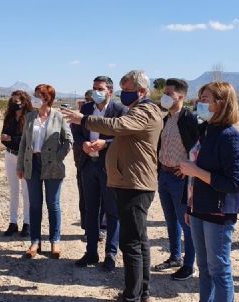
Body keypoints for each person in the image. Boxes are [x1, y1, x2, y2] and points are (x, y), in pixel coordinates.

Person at [63, 70, 164, 302]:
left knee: (131, 244)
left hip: (134, 182)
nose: (123, 95)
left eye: (127, 90)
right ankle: (141, 291)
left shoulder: (144, 110)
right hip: (129, 180)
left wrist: (84, 119)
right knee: (139, 240)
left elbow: (118, 126)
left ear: (141, 90)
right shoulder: (140, 109)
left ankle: (132, 295)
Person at [178, 82, 239, 302]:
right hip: (199, 208)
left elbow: (234, 183)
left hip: (218, 212)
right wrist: (190, 207)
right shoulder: (205, 131)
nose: (199, 103)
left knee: (218, 268)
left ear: (221, 103)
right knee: (204, 267)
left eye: (205, 99)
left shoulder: (230, 136)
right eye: (200, 98)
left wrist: (197, 171)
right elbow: (194, 175)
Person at [72, 76, 128, 271]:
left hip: (109, 167)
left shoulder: (120, 111)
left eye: (100, 88)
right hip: (88, 165)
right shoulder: (86, 109)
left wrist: (106, 143)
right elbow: (76, 131)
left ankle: (110, 254)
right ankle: (91, 252)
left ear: (110, 91)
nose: (96, 92)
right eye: (94, 88)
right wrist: (83, 144)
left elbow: (125, 138)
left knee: (112, 212)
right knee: (90, 210)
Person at [17, 84, 73, 259]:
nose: (34, 97)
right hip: (32, 163)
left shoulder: (58, 117)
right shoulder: (30, 116)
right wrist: (20, 165)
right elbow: (24, 143)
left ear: (47, 98)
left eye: (37, 94)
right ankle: (35, 242)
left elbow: (68, 140)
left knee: (53, 204)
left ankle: (55, 241)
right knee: (34, 205)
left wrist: (58, 157)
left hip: (52, 165)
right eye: (34, 94)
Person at [154, 78, 199, 281]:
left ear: (181, 96)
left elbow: (200, 146)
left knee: (186, 222)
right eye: (165, 92)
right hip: (164, 175)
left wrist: (191, 168)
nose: (165, 97)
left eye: (169, 93)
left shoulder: (190, 118)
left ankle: (189, 265)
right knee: (171, 220)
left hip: (181, 178)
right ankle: (175, 256)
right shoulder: (166, 119)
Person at [1, 90, 33, 237]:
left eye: (18, 101)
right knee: (13, 190)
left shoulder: (30, 118)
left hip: (25, 158)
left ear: (24, 102)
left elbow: (27, 141)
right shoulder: (9, 117)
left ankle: (27, 223)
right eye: (13, 101)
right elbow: (3, 137)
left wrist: (12, 139)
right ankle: (13, 223)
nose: (15, 104)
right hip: (10, 156)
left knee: (26, 191)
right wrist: (13, 139)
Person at [72, 89, 94, 233]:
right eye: (87, 99)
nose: (89, 101)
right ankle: (87, 227)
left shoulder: (107, 115)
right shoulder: (79, 116)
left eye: (90, 99)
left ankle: (101, 227)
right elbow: (75, 135)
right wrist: (83, 144)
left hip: (103, 163)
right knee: (85, 197)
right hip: (83, 162)